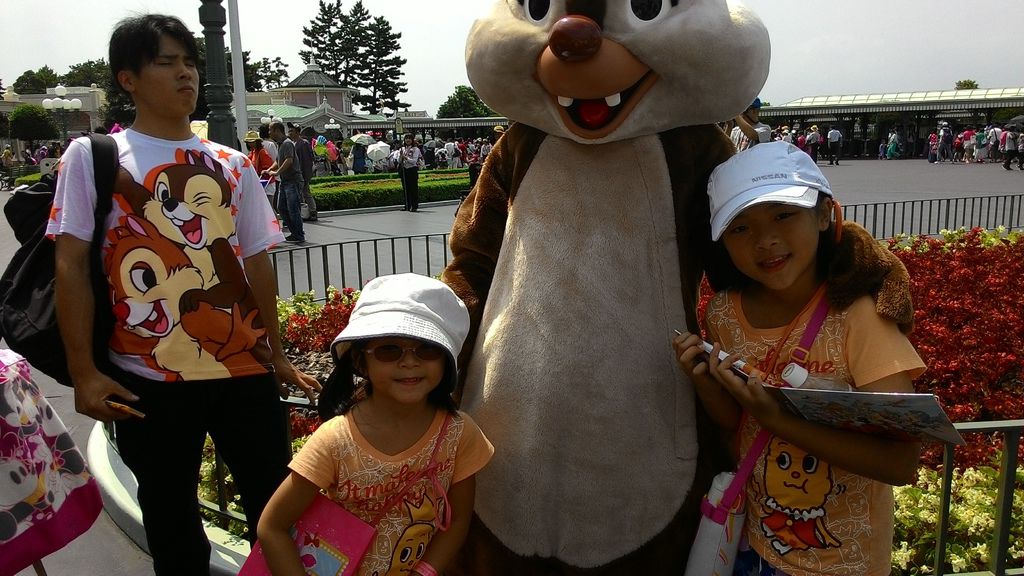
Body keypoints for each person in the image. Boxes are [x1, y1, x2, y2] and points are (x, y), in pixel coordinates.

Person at [48, 14, 320, 575]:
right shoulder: (95, 156)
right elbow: (69, 264)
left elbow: (256, 263)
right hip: (148, 379)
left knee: (275, 511)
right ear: (128, 78)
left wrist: (277, 354)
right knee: (172, 525)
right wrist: (84, 373)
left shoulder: (232, 163)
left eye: (190, 63)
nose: (185, 74)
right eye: (166, 62)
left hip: (242, 369)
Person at [673, 142, 924, 576]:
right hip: (753, 547)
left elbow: (900, 463)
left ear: (824, 214)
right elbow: (738, 424)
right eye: (740, 227)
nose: (765, 240)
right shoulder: (723, 314)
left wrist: (778, 419)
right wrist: (705, 380)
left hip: (844, 564)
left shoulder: (860, 318)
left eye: (783, 215)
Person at [257, 273, 493, 576]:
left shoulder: (459, 434)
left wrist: (424, 572)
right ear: (360, 360)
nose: (409, 362)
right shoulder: (336, 441)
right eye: (389, 349)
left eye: (427, 349)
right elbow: (272, 526)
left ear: (446, 360)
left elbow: (458, 519)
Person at [262, 120, 306, 243]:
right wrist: (269, 169)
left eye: (270, 130)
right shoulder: (280, 144)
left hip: (293, 180)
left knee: (293, 209)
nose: (269, 132)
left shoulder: (287, 144)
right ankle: (295, 233)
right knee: (281, 208)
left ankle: (299, 235)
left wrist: (277, 172)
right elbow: (278, 161)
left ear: (277, 130)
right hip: (285, 181)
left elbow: (289, 160)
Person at [288, 123, 317, 221]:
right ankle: (304, 213)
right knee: (300, 194)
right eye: (289, 131)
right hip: (295, 174)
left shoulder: (303, 144)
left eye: (292, 131)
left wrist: (305, 175)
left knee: (306, 193)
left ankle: (313, 211)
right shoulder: (292, 143)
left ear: (297, 132)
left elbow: (306, 162)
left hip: (302, 174)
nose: (289, 133)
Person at [399, 133, 424, 212]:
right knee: (405, 189)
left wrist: (405, 157)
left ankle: (414, 206)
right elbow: (399, 161)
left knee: (413, 189)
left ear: (412, 140)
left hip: (412, 170)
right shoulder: (402, 149)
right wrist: (400, 157)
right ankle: (407, 205)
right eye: (406, 138)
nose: (408, 140)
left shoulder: (416, 149)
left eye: (409, 138)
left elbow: (414, 161)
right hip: (404, 170)